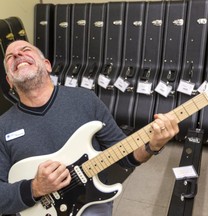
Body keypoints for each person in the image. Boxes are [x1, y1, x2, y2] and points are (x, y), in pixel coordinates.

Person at [0, 40, 179, 216]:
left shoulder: (86, 100)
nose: (17, 55)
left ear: (47, 65)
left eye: (25, 49)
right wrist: (36, 187)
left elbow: (125, 156)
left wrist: (151, 146)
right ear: (9, 81)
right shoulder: (3, 127)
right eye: (9, 57)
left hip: (92, 204)